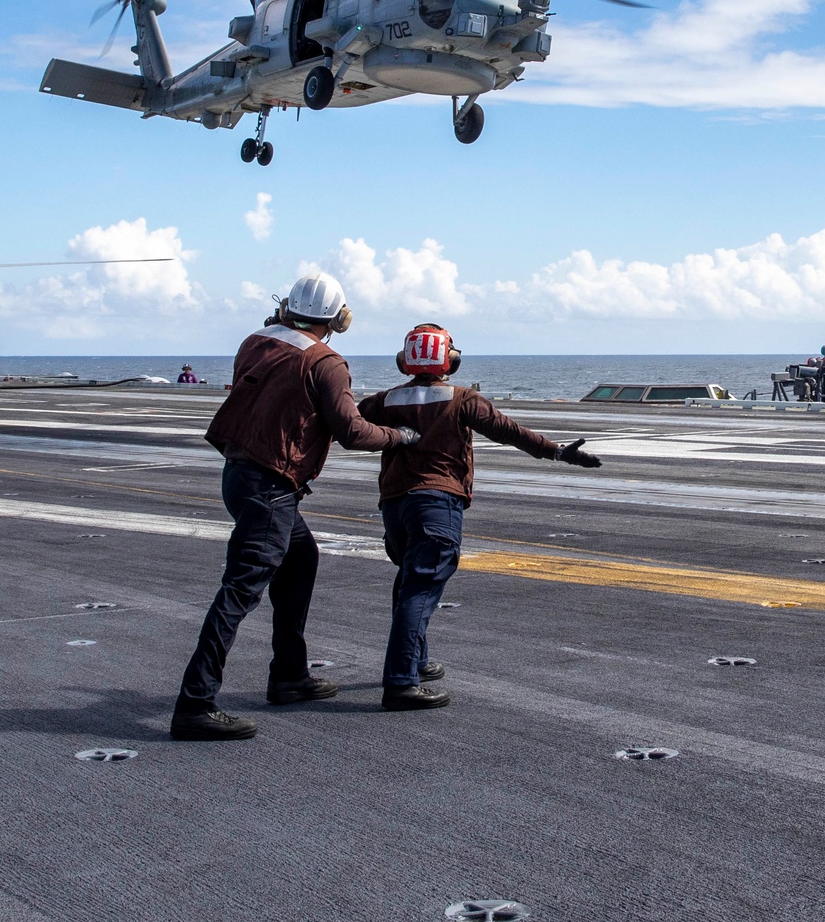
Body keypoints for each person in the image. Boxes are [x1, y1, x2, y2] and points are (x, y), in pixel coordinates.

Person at [170, 273, 419, 743]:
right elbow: (352, 432)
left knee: (301, 558)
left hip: (240, 476)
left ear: (288, 307)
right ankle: (195, 703)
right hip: (270, 489)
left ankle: (290, 675)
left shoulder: (255, 340)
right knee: (239, 592)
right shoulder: (327, 362)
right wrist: (400, 436)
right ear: (339, 319)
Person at [358, 323, 601, 711]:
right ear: (450, 361)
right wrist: (560, 453)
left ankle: (416, 661)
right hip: (437, 503)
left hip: (394, 505)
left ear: (405, 361)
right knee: (421, 589)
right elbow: (511, 432)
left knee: (409, 582)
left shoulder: (382, 402)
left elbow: (346, 425)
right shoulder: (462, 399)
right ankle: (401, 682)